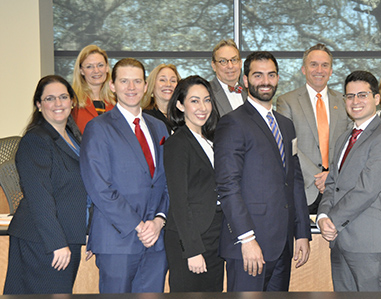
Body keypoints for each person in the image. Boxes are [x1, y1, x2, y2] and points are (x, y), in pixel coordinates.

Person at [214, 51, 311, 292]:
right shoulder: (232, 122)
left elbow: (295, 182)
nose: (265, 81)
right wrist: (246, 239)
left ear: (278, 78)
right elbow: (228, 186)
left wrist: (301, 233)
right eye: (258, 75)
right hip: (249, 245)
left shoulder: (286, 125)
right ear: (245, 81)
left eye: (271, 75)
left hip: (283, 245)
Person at [80, 58, 169, 293]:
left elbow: (166, 181)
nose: (131, 87)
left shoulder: (158, 127)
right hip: (117, 240)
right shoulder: (98, 127)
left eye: (137, 81)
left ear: (145, 84)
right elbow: (99, 187)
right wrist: (140, 226)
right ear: (112, 85)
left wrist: (159, 221)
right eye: (124, 81)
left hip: (156, 241)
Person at [317, 70, 381, 291]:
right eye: (350, 96)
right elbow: (332, 184)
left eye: (362, 95)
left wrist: (332, 220)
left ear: (376, 98)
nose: (355, 101)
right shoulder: (344, 137)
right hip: (340, 242)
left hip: (368, 245)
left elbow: (367, 189)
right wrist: (323, 216)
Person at [4, 75, 86, 294]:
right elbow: (39, 196)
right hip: (43, 242)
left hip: (67, 237)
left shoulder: (72, 137)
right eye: (50, 98)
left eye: (63, 97)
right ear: (39, 105)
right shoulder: (35, 140)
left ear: (72, 101)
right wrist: (56, 243)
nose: (58, 104)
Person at [163, 75, 224, 292]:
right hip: (190, 240)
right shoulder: (177, 143)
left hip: (214, 235)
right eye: (194, 100)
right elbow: (179, 201)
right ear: (180, 105)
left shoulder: (211, 141)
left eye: (207, 100)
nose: (203, 107)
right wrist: (192, 250)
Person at [276, 43, 351, 214]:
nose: (319, 70)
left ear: (331, 71)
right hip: (304, 187)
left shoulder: (345, 101)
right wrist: (318, 177)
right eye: (313, 64)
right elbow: (287, 142)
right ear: (303, 69)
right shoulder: (286, 101)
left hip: (337, 188)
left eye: (325, 65)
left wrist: (331, 175)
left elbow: (351, 143)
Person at [72, 44, 116, 134]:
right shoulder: (72, 102)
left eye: (100, 65)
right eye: (89, 66)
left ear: (107, 68)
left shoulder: (117, 102)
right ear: (81, 71)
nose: (96, 71)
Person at [210, 39, 248, 116]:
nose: (230, 66)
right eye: (223, 61)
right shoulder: (207, 92)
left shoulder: (250, 93)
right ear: (214, 66)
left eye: (234, 60)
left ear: (240, 63)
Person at [142, 64, 181, 134]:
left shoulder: (184, 116)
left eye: (173, 81)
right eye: (162, 80)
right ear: (152, 85)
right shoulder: (145, 118)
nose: (168, 84)